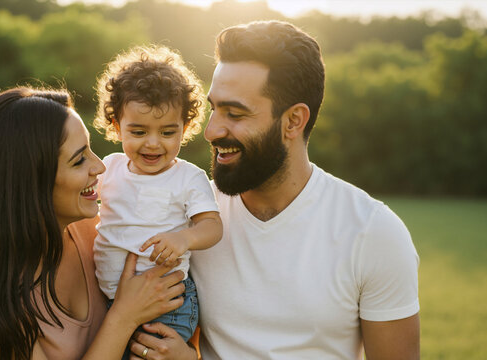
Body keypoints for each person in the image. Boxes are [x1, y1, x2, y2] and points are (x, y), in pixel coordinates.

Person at [130, 21, 420, 360]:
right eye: (213, 108)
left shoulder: (372, 232)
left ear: (294, 121)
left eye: (234, 113)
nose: (210, 131)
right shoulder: (187, 217)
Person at [0, 86, 187, 360]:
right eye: (78, 161)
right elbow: (129, 313)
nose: (99, 167)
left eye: (90, 149)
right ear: (28, 182)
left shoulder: (98, 232)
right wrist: (123, 317)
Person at [92, 45, 223, 351]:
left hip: (169, 303)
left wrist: (183, 240)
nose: (153, 144)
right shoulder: (109, 167)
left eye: (167, 133)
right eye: (138, 132)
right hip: (111, 301)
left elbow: (212, 226)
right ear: (116, 126)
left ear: (185, 128)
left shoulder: (187, 177)